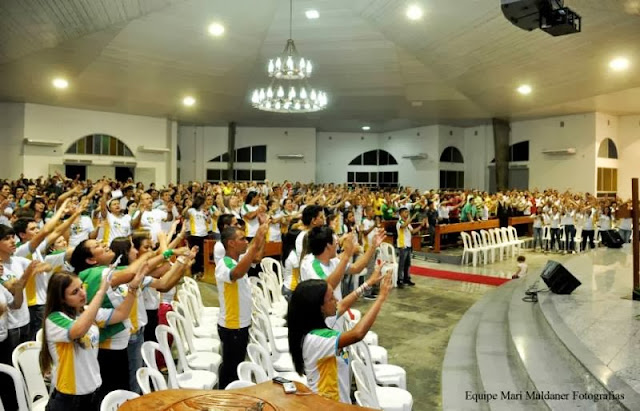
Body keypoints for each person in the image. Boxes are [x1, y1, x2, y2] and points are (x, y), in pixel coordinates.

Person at [39, 268, 145, 411]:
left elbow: (121, 313)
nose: (82, 293)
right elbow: (78, 330)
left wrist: (133, 287)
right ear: (61, 299)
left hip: (93, 391)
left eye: (81, 287)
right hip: (69, 398)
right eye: (74, 292)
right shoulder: (54, 319)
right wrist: (101, 292)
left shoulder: (87, 312)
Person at [287, 273, 392, 403]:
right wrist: (381, 298)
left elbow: (342, 306)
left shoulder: (319, 322)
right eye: (331, 298)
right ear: (320, 307)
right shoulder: (317, 340)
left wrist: (367, 284)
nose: (336, 300)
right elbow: (357, 334)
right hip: (328, 405)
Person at [216, 223, 267, 389]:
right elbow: (236, 273)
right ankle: (225, 396)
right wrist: (256, 241)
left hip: (240, 323)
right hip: (232, 325)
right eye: (242, 239)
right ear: (231, 243)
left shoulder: (237, 260)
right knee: (231, 368)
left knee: (235, 364)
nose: (246, 242)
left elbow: (256, 258)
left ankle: (231, 393)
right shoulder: (224, 264)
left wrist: (261, 238)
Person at [396, 207, 425, 288]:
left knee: (408, 264)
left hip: (408, 245)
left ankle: (407, 278)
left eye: (407, 212)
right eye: (405, 212)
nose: (407, 214)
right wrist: (412, 218)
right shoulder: (399, 222)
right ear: (401, 214)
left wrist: (421, 226)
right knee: (402, 264)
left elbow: (413, 231)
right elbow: (403, 226)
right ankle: (400, 280)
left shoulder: (408, 223)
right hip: (403, 245)